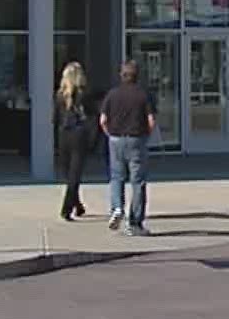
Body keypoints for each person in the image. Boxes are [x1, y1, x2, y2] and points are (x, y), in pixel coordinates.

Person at [99, 60, 156, 236]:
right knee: (137, 181)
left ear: (121, 75)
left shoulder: (112, 94)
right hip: (136, 139)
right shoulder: (143, 95)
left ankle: (117, 207)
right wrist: (146, 136)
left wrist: (110, 134)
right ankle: (135, 222)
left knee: (116, 177)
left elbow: (102, 120)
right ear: (137, 76)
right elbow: (151, 121)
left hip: (115, 139)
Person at [53, 61, 94, 220]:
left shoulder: (59, 96)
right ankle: (71, 206)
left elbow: (55, 118)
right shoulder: (84, 95)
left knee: (69, 173)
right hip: (78, 135)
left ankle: (72, 206)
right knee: (73, 175)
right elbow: (92, 116)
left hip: (64, 135)